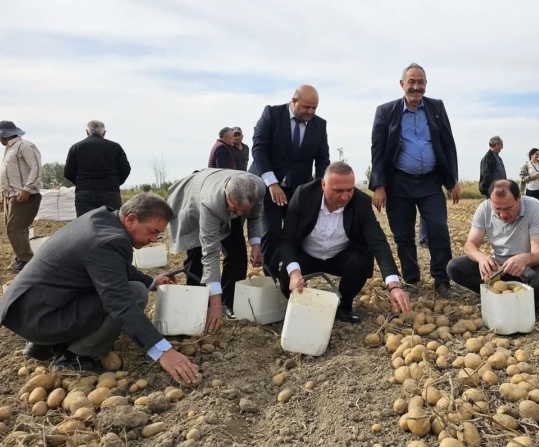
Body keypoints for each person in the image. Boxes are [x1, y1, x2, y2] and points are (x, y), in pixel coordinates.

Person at [0, 193, 199, 383]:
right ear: (131, 219)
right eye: (153, 231)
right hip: (40, 320)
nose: (154, 240)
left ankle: (48, 345)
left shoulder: (102, 219)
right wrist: (164, 351)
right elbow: (120, 303)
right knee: (135, 293)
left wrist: (152, 282)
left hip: (30, 309)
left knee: (133, 286)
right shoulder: (109, 242)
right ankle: (74, 356)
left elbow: (114, 266)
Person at [369, 62, 460, 299]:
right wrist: (379, 186)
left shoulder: (436, 107)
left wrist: (452, 180)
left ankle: (442, 280)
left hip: (430, 181)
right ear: (402, 84)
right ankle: (411, 279)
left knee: (439, 229)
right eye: (412, 82)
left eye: (421, 82)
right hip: (398, 181)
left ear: (426, 85)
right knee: (403, 234)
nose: (416, 87)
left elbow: (448, 144)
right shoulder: (386, 111)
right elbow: (377, 150)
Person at [280, 162, 411, 323]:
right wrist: (294, 273)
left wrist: (394, 286)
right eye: (338, 191)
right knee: (286, 276)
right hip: (306, 255)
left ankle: (343, 306)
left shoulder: (361, 202)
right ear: (323, 184)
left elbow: (378, 242)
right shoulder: (303, 195)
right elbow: (287, 239)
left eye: (350, 190)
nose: (345, 196)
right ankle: (298, 306)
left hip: (339, 256)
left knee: (361, 262)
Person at [248, 85, 330, 277]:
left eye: (314, 108)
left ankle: (291, 277)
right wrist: (272, 183)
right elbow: (259, 149)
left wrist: (320, 187)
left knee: (296, 233)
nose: (310, 112)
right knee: (272, 232)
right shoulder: (272, 114)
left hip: (298, 189)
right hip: (269, 187)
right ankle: (271, 278)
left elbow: (322, 159)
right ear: (294, 101)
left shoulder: (320, 125)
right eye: (306, 107)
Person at [446, 180, 539, 321]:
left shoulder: (536, 208)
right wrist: (481, 258)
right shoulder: (484, 209)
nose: (503, 215)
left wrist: (524, 259)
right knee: (454, 267)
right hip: (500, 269)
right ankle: (497, 292)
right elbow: (470, 245)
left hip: (530, 269)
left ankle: (532, 303)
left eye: (508, 208)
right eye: (497, 209)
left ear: (518, 199)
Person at [167, 169, 267, 322]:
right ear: (227, 197)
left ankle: (227, 302)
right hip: (193, 200)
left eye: (243, 210)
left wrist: (255, 245)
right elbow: (211, 252)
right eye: (234, 209)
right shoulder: (211, 203)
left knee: (237, 254)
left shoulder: (259, 186)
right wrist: (214, 300)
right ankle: (196, 301)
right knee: (197, 253)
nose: (239, 214)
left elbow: (255, 215)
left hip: (221, 196)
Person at [64, 120, 132, 217]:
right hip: (110, 192)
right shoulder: (115, 147)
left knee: (86, 224)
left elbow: (68, 172)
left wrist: (81, 183)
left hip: (85, 192)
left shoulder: (76, 147)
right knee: (111, 224)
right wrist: (115, 183)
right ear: (104, 133)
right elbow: (126, 169)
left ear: (87, 132)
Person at [0, 120, 42, 273]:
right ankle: (21, 258)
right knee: (13, 229)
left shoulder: (25, 146)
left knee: (16, 228)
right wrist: (3, 195)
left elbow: (36, 168)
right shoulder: (10, 149)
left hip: (24, 195)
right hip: (11, 195)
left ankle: (26, 261)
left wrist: (27, 189)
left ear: (4, 135)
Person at [519, 148, 539, 221]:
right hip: (531, 189)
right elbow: (523, 178)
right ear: (531, 155)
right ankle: (531, 223)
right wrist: (533, 176)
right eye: (536, 154)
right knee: (531, 207)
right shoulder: (526, 165)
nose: (538, 156)